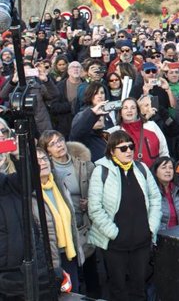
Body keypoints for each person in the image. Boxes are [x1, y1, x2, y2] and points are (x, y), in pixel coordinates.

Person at [87, 130, 161, 301]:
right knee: (118, 289)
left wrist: (150, 228)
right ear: (112, 151)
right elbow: (95, 208)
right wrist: (114, 233)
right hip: (115, 245)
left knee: (139, 288)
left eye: (131, 147)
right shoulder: (101, 171)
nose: (128, 151)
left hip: (141, 242)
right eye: (123, 148)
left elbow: (155, 198)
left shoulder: (141, 168)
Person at [35, 148, 84, 293]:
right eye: (37, 161)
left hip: (68, 252)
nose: (42, 163)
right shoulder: (29, 192)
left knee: (74, 292)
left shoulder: (60, 182)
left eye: (44, 158)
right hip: (47, 258)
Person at [110, 98, 169, 168]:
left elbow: (164, 152)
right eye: (125, 108)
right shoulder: (115, 131)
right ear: (120, 113)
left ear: (137, 111)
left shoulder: (151, 126)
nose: (129, 110)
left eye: (133, 108)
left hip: (154, 174)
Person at [70, 82, 115, 161]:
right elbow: (76, 133)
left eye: (102, 92)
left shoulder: (107, 113)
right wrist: (93, 114)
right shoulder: (82, 114)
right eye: (96, 93)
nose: (100, 96)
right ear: (90, 95)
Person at [150, 156, 179, 231]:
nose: (168, 171)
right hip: (162, 235)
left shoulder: (178, 189)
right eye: (164, 168)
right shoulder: (152, 193)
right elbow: (152, 221)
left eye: (170, 168)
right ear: (155, 171)